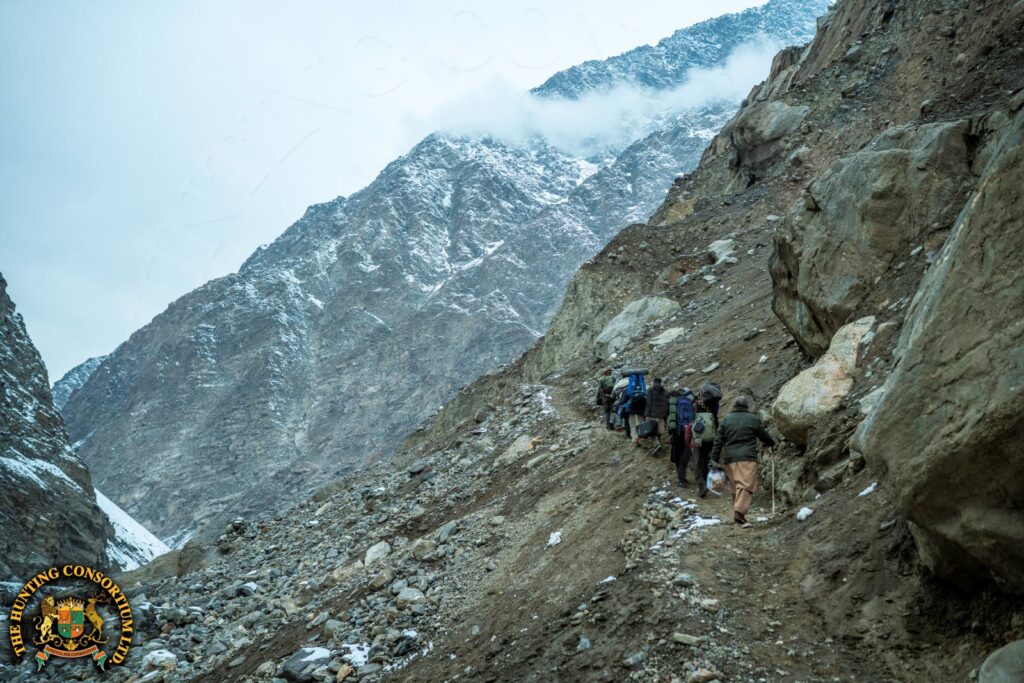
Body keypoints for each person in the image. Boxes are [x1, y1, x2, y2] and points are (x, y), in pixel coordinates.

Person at [710, 395, 776, 525]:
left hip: (730, 458)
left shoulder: (726, 420)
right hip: (747, 457)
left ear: (734, 406)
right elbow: (763, 436)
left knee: (734, 486)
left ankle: (737, 511)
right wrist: (771, 443)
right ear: (746, 406)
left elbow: (718, 441)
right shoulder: (752, 419)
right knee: (746, 485)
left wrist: (714, 459)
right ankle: (739, 513)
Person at [669, 387, 695, 486]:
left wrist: (672, 430)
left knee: (678, 457)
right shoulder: (689, 402)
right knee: (686, 454)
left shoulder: (674, 403)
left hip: (678, 433)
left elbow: (671, 419)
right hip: (689, 431)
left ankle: (681, 480)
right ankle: (686, 477)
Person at [644, 377, 670, 449]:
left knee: (652, 430)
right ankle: (658, 442)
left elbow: (648, 403)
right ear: (660, 383)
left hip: (652, 414)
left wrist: (646, 414)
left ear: (654, 382)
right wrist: (666, 414)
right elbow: (667, 404)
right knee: (659, 430)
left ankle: (656, 444)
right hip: (661, 415)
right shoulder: (665, 392)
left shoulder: (650, 390)